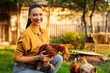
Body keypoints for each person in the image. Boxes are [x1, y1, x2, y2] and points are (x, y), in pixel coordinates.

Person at [13, 4, 63, 73]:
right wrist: (38, 57)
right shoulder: (27, 34)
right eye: (35, 15)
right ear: (29, 16)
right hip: (23, 68)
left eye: (40, 14)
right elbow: (16, 58)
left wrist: (49, 56)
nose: (38, 17)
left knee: (59, 58)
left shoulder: (44, 32)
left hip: (37, 65)